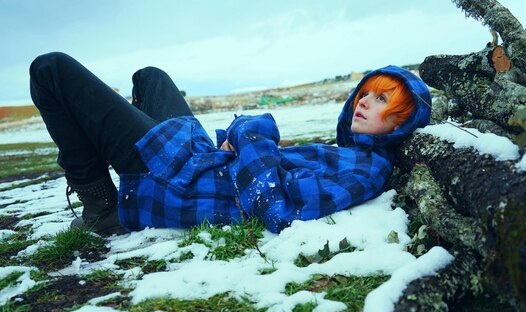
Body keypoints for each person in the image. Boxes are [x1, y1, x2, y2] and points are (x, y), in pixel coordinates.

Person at [29, 52, 431, 235]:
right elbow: (270, 168)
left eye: (383, 100)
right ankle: (122, 145)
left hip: (180, 181)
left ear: (401, 122)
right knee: (150, 76)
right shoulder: (348, 153)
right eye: (367, 92)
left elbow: (276, 207)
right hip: (200, 160)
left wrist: (249, 133)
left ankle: (102, 204)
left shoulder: (369, 171)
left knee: (50, 70)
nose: (363, 100)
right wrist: (247, 150)